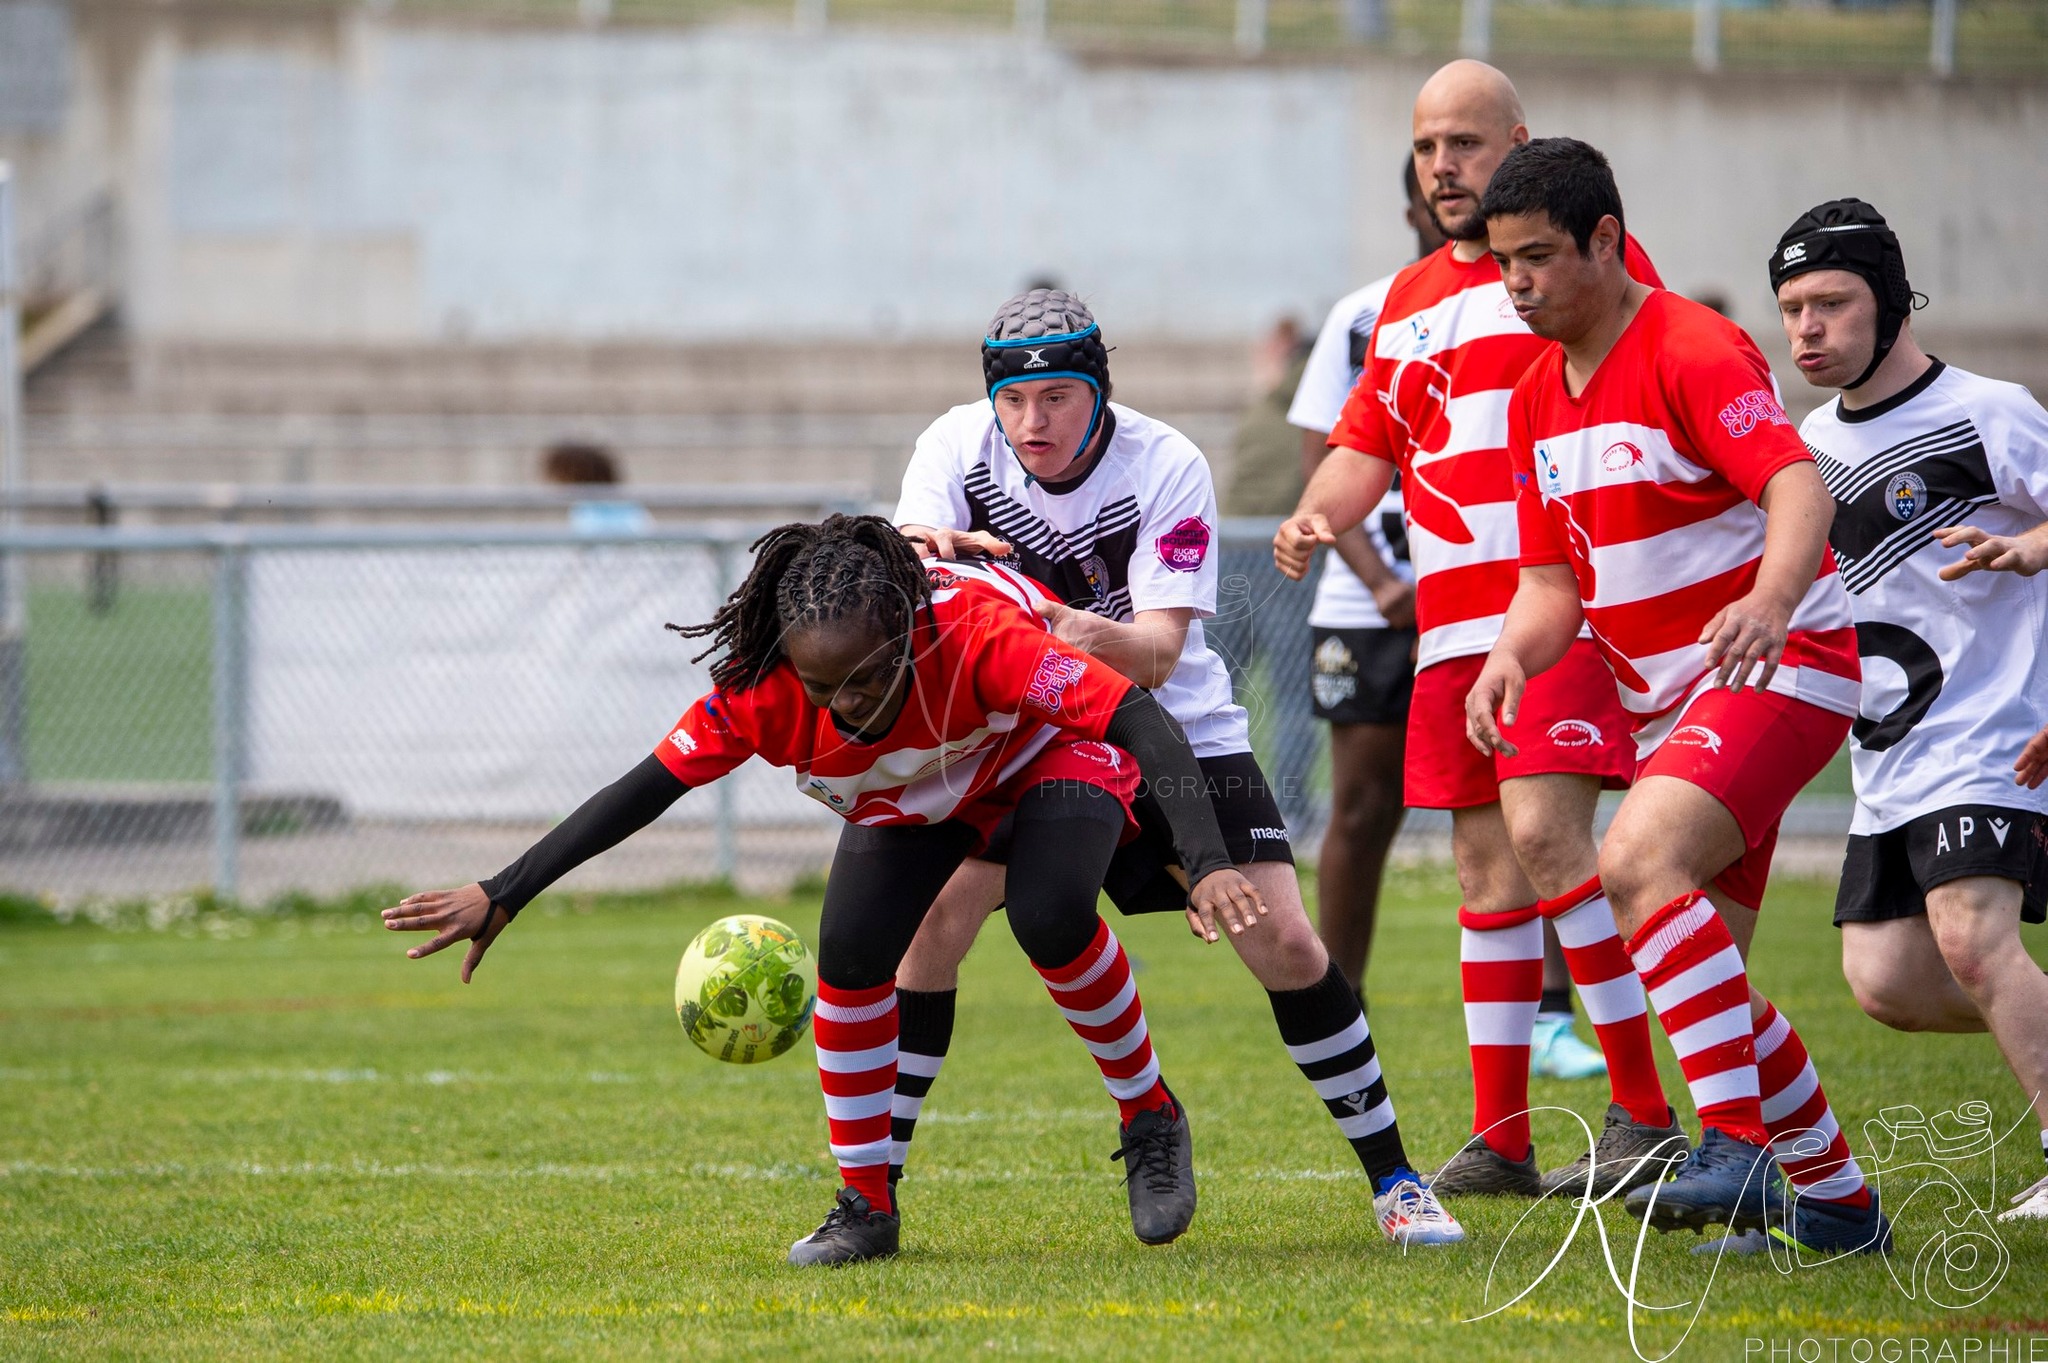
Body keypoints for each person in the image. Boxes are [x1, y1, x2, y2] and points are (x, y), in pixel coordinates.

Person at [380, 514, 1267, 1265]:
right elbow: (642, 789)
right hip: (921, 781)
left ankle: (1151, 1113)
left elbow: (1137, 716)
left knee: (1049, 914)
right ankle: (865, 1203)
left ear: (908, 636)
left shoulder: (977, 639)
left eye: (866, 680)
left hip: (1043, 747)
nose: (842, 707)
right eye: (822, 687)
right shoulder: (764, 693)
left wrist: (1211, 857)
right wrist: (505, 889)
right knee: (848, 957)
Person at [891, 289, 1464, 1247]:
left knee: (1284, 939)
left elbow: (1157, 653)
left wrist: (1045, 626)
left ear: (1099, 392)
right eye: (1015, 401)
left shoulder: (1164, 463)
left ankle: (1397, 1182)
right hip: (1029, 739)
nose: (1034, 421)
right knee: (931, 932)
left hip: (1176, 728)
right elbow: (917, 562)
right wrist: (925, 563)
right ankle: (875, 1194)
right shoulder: (953, 445)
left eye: (1059, 398)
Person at [1468, 137, 1889, 1255]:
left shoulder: (1691, 347)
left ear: (1606, 240)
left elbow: (1795, 484)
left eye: (1539, 257)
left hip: (1778, 669)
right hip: (1677, 706)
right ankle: (1840, 1201)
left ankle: (1739, 1150)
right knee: (1709, 989)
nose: (1515, 281)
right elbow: (1552, 584)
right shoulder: (1527, 398)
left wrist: (1769, 598)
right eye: (1501, 261)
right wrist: (1509, 656)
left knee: (1632, 868)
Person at [1274, 60, 1681, 1200]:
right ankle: (1502, 1136)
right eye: (1424, 147)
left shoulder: (1582, 263)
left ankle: (1640, 1114)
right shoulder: (1402, 303)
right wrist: (1318, 514)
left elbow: (1649, 378)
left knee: (1549, 840)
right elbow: (1365, 443)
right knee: (1482, 870)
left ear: (1515, 140)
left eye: (1464, 141)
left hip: (1555, 615)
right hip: (1453, 629)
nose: (1443, 165)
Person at [1771, 198, 2048, 1225]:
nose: (1805, 327)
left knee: (1972, 940)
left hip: (1995, 736)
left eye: (1830, 303)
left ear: (1888, 305)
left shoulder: (1989, 412)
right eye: (1791, 307)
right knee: (1885, 980)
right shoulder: (1800, 447)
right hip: (1887, 758)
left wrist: (2033, 543)